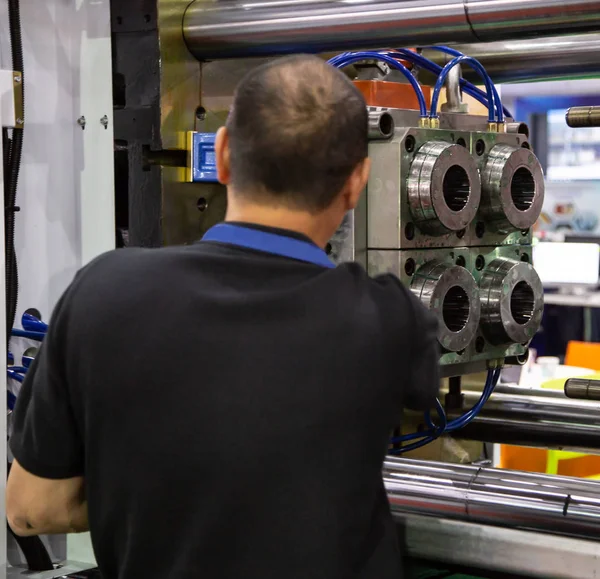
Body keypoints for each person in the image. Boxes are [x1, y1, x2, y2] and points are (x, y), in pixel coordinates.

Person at [7, 54, 439, 579]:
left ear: (225, 154)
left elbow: (31, 509)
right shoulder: (389, 320)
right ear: (357, 182)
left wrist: (161, 500)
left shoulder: (102, 293)